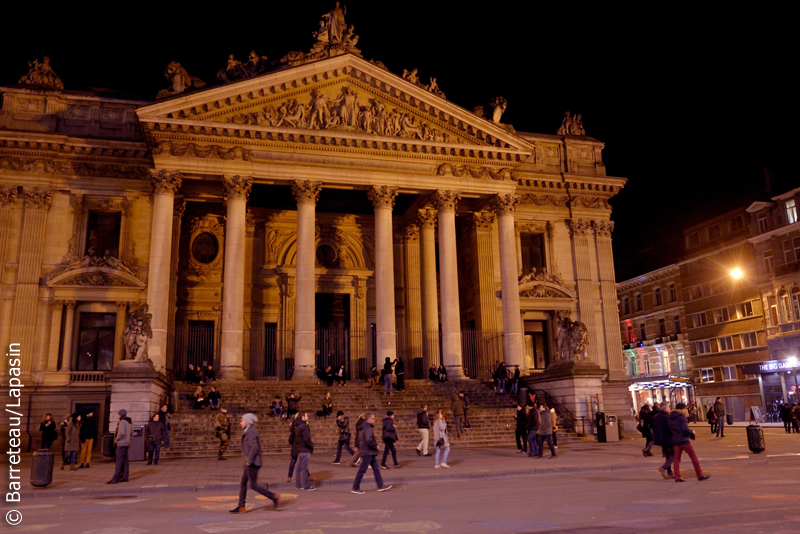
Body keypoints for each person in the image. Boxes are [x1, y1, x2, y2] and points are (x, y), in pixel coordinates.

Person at [230, 413, 280, 513]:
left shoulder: (251, 431)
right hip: (249, 461)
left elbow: (254, 447)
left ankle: (274, 496)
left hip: (252, 462)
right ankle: (241, 506)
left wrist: (249, 461)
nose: (241, 422)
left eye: (242, 420)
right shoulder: (248, 431)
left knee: (253, 485)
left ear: (247, 422)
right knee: (243, 483)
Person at [351, 413, 393, 494]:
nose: (374, 420)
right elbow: (369, 440)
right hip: (368, 451)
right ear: (369, 419)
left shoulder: (366, 427)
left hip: (369, 451)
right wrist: (375, 446)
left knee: (376, 468)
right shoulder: (367, 428)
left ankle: (380, 486)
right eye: (373, 418)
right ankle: (355, 487)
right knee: (362, 470)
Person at [669, 402, 710, 483]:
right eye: (684, 409)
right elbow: (684, 430)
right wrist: (692, 432)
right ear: (682, 409)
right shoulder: (682, 417)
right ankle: (700, 475)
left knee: (676, 459)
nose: (685, 410)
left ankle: (677, 476)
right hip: (683, 441)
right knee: (693, 457)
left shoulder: (671, 417)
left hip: (676, 440)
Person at [107, 409, 132, 484]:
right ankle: (125, 477)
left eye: (118, 414)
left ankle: (115, 478)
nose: (117, 415)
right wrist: (128, 439)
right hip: (127, 443)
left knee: (119, 461)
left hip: (121, 443)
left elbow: (121, 432)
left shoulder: (122, 422)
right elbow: (132, 433)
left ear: (120, 414)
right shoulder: (129, 422)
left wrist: (116, 439)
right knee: (125, 461)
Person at [293, 412, 315, 491]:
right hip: (305, 449)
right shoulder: (304, 427)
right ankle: (306, 486)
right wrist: (311, 446)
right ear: (302, 417)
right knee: (304, 469)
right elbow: (307, 439)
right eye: (306, 416)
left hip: (300, 449)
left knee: (298, 468)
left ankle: (298, 485)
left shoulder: (297, 426)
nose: (308, 417)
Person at [653, 401, 674, 479]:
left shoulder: (657, 417)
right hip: (668, 439)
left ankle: (670, 472)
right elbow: (669, 428)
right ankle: (664, 468)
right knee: (674, 455)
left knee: (668, 456)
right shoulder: (666, 417)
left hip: (661, 439)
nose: (669, 409)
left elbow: (654, 428)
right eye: (668, 407)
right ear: (665, 408)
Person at [287, 413, 301, 482]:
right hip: (299, 444)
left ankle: (289, 476)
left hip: (295, 444)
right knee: (303, 461)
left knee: (293, 461)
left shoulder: (294, 424)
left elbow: (291, 431)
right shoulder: (301, 424)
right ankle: (307, 475)